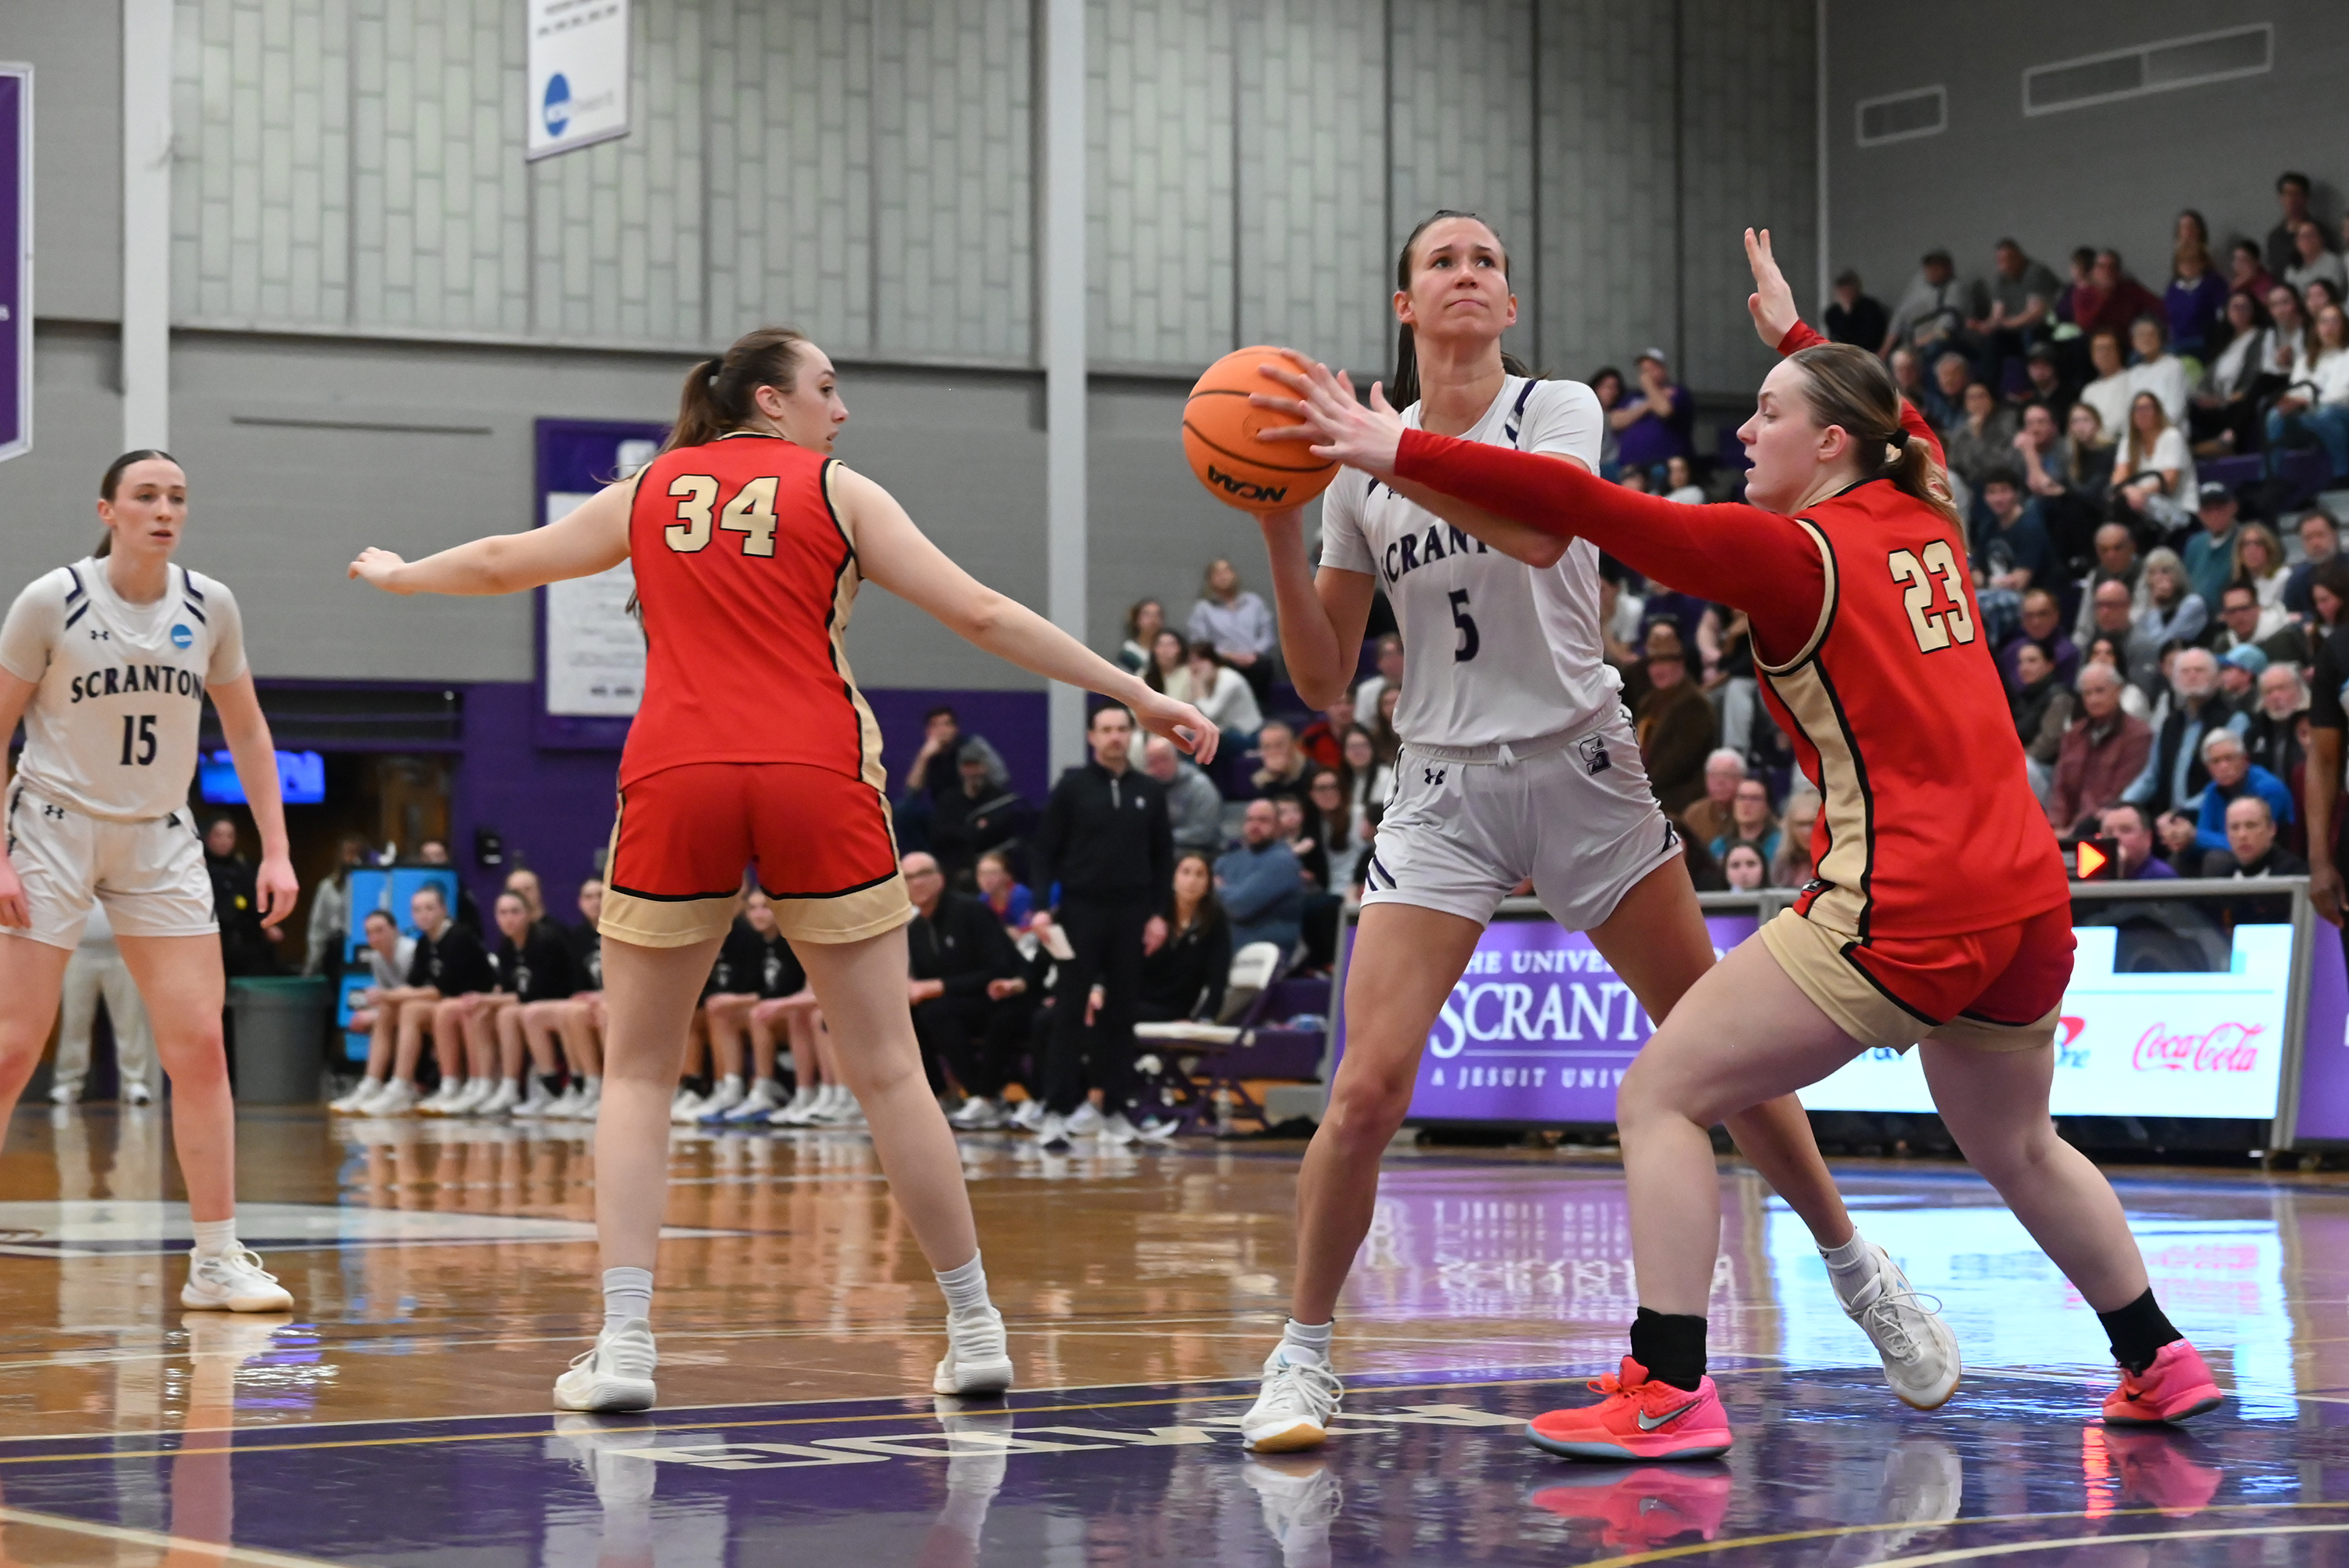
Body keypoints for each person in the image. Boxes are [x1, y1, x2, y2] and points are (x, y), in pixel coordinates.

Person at [1279, 225, 2225, 1458]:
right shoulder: (1922, 498)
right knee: (2017, 1140)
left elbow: (1579, 507)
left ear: (1828, 442)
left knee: (1663, 1088)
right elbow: (1905, 418)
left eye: (1768, 411)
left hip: (1906, 893)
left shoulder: (1788, 552)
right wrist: (1793, 333)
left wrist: (1389, 446)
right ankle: (2158, 1352)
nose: (1743, 431)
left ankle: (1668, 1382)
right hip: (2029, 893)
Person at [348, 324, 1215, 1413]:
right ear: (768, 400)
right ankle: (977, 1326)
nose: (840, 408)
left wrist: (402, 575)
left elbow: (502, 560)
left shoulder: (648, 488)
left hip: (679, 768)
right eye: (826, 386)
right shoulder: (842, 491)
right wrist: (1134, 693)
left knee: (639, 1070)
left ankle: (623, 1347)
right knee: (891, 1066)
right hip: (816, 762)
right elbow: (983, 613)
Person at [1238, 212, 1947, 1454]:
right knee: (1362, 1093)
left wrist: (1380, 448)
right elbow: (1317, 673)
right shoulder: (1355, 467)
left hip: (1582, 763)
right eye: (1442, 262)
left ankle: (1856, 1265)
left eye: (1488, 261)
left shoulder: (1553, 407)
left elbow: (1542, 527)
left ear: (1509, 304)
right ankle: (1302, 1353)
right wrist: (1279, 515)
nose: (1469, 274)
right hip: (1445, 784)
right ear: (1405, 308)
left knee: (1716, 1048)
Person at [0, 448, 298, 1313]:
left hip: (160, 833)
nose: (165, 509)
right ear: (108, 511)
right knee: (17, 1042)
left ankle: (214, 1257)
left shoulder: (210, 606)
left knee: (199, 1044)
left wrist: (277, 849)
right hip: (51, 823)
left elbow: (246, 731)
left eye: (177, 496)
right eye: (146, 496)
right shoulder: (51, 600)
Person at [1029, 704, 1174, 1150]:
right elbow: (1043, 851)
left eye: (1121, 729)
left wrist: (1158, 914)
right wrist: (1040, 907)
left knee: (1121, 1013)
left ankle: (1114, 1110)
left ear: (1131, 735)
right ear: (1092, 737)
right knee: (1069, 1010)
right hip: (1080, 911)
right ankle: (1055, 1111)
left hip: (1132, 914)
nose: (1114, 737)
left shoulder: (1149, 791)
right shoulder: (1072, 788)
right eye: (1106, 730)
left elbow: (1163, 858)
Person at [900, 852, 1023, 1118]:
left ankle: (983, 1096)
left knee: (937, 1010)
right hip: (956, 1004)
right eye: (908, 878)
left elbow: (999, 970)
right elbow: (920, 983)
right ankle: (943, 1094)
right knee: (902, 1015)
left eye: (923, 875)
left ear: (940, 879)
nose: (916, 883)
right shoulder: (914, 929)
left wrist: (939, 986)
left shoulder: (970, 911)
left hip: (997, 996)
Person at [48, 901, 158, 1107]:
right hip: (79, 952)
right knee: (74, 1022)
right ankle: (67, 1083)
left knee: (129, 1021)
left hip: (122, 953)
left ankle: (135, 1081)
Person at [2125, 647, 2246, 820]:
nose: (2192, 676)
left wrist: (2182, 812)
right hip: (2169, 820)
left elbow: (2226, 779)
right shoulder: (2171, 723)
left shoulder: (2234, 720)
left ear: (2218, 678)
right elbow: (2151, 776)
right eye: (2185, 671)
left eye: (2200, 670)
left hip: (2214, 817)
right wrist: (2123, 804)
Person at [2049, 665, 2152, 834]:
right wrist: (2055, 827)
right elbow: (2061, 790)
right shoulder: (2073, 735)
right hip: (2066, 830)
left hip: (2108, 826)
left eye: (2100, 691)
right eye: (2087, 693)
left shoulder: (2138, 735)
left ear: (2118, 691)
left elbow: (2119, 794)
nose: (2093, 699)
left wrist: (2074, 831)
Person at [1138, 849, 1231, 1026]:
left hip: (1175, 1010)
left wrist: (1205, 1019)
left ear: (1208, 883)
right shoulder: (1153, 914)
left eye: (1200, 875)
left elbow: (1218, 978)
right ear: (1173, 877)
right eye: (1185, 872)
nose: (1192, 881)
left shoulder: (1214, 921)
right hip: (1136, 998)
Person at [1633, 622, 1716, 814]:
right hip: (1646, 791)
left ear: (1680, 664)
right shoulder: (1648, 702)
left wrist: (1637, 786)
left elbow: (1676, 765)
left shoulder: (1694, 705)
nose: (1657, 670)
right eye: (1653, 663)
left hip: (1677, 800)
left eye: (1665, 663)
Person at [929, 746, 1035, 889]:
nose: (973, 772)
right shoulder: (948, 800)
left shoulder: (1000, 800)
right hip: (958, 871)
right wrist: (973, 831)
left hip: (994, 868)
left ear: (985, 767)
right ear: (961, 770)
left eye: (977, 766)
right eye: (968, 767)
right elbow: (941, 836)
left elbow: (1001, 835)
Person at [2266, 300, 2349, 480]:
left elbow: (2342, 394)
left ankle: (2341, 473)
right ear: (2316, 327)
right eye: (2324, 321)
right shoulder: (2305, 359)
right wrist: (2290, 402)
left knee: (2325, 413)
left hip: (2340, 413)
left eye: (2335, 321)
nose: (2329, 327)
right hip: (2308, 415)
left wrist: (2306, 401)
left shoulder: (2347, 355)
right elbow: (2297, 391)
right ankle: (2271, 477)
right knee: (2275, 415)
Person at [2185, 729, 2295, 863]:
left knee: (2216, 860)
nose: (2224, 766)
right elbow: (2203, 834)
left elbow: (2255, 841)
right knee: (2181, 857)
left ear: (2245, 759)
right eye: (2216, 761)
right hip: (2230, 853)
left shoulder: (2270, 789)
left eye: (2229, 758)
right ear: (2208, 768)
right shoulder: (2212, 791)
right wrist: (2184, 838)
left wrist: (2194, 836)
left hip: (2270, 858)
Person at [1214, 799, 1304, 957]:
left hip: (1262, 952)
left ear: (1278, 826)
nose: (1255, 826)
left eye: (1263, 820)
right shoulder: (1229, 859)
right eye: (1250, 820)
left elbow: (1239, 906)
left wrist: (1217, 887)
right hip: (1224, 946)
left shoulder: (1283, 862)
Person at [2190, 290, 2275, 456]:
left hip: (2239, 402)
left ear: (2253, 311)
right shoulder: (2224, 343)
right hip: (2217, 403)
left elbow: (2256, 378)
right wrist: (2204, 398)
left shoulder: (2262, 336)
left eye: (2244, 307)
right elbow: (2207, 380)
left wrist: (2223, 400)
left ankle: (2227, 442)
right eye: (2234, 307)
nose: (2239, 311)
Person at [1187, 558, 1278, 701]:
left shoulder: (1254, 602)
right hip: (1223, 662)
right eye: (1217, 573)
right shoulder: (1203, 608)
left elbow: (1267, 635)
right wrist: (1229, 656)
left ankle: (1262, 711)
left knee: (1265, 666)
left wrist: (1254, 653)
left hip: (1254, 660)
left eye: (1227, 571)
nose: (1223, 576)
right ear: (1210, 581)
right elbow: (1200, 642)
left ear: (1235, 575)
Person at [2112, 393, 2196, 539]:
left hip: (2177, 506)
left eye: (2147, 408)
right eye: (2137, 409)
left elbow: (2169, 484)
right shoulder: (2128, 442)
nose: (2142, 413)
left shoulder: (2172, 437)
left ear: (2158, 413)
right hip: (2140, 503)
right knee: (2116, 504)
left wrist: (2138, 492)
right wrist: (2130, 491)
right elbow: (2117, 481)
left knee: (2126, 506)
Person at [1882, 249, 1976, 358]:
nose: (1932, 270)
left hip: (1947, 343)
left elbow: (1948, 326)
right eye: (1929, 267)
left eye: (1937, 267)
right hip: (1914, 342)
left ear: (1948, 268)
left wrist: (1922, 341)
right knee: (1897, 358)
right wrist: (1884, 351)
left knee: (1935, 348)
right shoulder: (1918, 286)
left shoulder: (1955, 288)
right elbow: (1900, 316)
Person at [2011, 643, 2073, 805]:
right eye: (2021, 662)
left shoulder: (2059, 697)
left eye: (2032, 661)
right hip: (2025, 762)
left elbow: (2048, 743)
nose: (2024, 667)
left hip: (2047, 770)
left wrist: (2016, 758)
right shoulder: (2024, 696)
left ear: (2050, 664)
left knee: (2023, 767)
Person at [1613, 349, 1694, 474]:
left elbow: (1664, 410)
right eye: (1643, 371)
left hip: (1663, 465)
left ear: (1663, 370)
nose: (1647, 375)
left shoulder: (1677, 392)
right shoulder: (1633, 397)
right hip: (1631, 467)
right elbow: (1615, 421)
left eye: (1652, 369)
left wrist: (1650, 386)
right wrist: (1649, 404)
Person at [1142, 733, 1224, 853]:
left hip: (1197, 852)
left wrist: (1161, 837)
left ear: (1176, 758)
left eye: (1164, 759)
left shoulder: (1200, 787)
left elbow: (1203, 833)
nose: (1159, 767)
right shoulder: (1145, 788)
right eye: (1152, 763)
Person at [2167, 212, 2228, 362]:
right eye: (2184, 263)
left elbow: (2222, 315)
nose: (2188, 267)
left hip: (2204, 342)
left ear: (2202, 262)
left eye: (2193, 261)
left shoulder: (2214, 282)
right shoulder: (2173, 290)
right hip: (2179, 344)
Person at [1184, 641, 1264, 743]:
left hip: (1247, 734)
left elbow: (1209, 714)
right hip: (1225, 730)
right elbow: (1192, 710)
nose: (1195, 667)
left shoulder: (1229, 679)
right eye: (1191, 662)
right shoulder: (1204, 681)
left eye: (1200, 661)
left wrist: (1199, 686)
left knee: (1201, 740)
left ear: (1212, 662)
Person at [2136, 547, 2207, 651]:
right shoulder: (2143, 609)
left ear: (2177, 574)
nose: (2158, 578)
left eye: (2165, 571)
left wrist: (2155, 607)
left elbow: (2162, 645)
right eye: (2152, 573)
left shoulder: (2193, 604)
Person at [1679, 749, 1746, 851]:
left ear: (1742, 779)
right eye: (1714, 776)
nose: (1720, 782)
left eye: (1727, 775)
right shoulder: (1694, 813)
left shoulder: (1749, 809)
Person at [2095, 802, 2178, 881]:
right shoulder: (2093, 874)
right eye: (2108, 832)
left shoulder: (2162, 877)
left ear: (2148, 838)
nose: (2115, 837)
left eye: (2125, 830)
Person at [2077, 330, 2134, 445]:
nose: (2104, 354)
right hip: (2094, 447)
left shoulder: (2132, 379)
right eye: (2099, 349)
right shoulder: (2089, 391)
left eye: (2108, 348)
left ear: (2119, 352)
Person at [2284, 510, 2340, 618]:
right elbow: (2292, 617)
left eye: (2320, 535)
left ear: (2334, 535)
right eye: (2308, 538)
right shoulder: (2297, 580)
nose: (2315, 543)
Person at [2268, 172, 2319, 277]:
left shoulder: (2320, 232)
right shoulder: (2274, 238)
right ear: (2280, 198)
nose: (2292, 199)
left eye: (2297, 194)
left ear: (2306, 198)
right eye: (2287, 194)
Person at [1824, 270, 1886, 351]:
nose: (1846, 294)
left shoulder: (1870, 308)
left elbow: (1871, 336)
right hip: (1842, 352)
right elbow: (1837, 336)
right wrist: (1846, 310)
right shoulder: (1832, 313)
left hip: (1867, 351)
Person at [2286, 219, 2347, 300]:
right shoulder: (2292, 269)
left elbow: (2333, 293)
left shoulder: (2333, 263)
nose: (2306, 240)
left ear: (2321, 238)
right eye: (2301, 237)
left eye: (2310, 235)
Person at [1118, 599, 1164, 675]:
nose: (1153, 620)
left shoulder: (1168, 649)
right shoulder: (1130, 652)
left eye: (1157, 615)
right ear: (1136, 620)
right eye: (1147, 615)